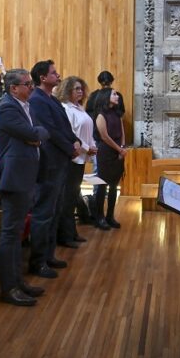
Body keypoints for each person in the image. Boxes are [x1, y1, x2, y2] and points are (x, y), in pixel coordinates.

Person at [0, 69, 49, 306]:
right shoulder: (7, 108)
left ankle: (19, 281)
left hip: (25, 175)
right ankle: (9, 288)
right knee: (10, 234)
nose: (32, 88)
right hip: (14, 178)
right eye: (27, 84)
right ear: (13, 88)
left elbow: (42, 132)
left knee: (16, 234)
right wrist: (34, 135)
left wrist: (35, 136)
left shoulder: (24, 106)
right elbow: (31, 132)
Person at [27, 60, 79, 274]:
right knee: (44, 212)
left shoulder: (52, 99)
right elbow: (49, 130)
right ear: (42, 78)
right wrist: (69, 147)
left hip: (61, 160)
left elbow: (64, 127)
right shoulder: (37, 100)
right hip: (50, 162)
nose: (58, 75)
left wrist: (75, 140)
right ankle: (38, 261)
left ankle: (49, 255)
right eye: (54, 73)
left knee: (55, 210)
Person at [55, 76, 96, 247]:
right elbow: (71, 134)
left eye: (81, 88)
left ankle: (72, 232)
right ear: (67, 90)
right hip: (72, 157)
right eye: (76, 89)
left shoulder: (79, 108)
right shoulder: (66, 108)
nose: (80, 92)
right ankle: (65, 235)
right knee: (67, 198)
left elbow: (88, 131)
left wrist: (92, 146)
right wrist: (87, 147)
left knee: (72, 197)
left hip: (81, 157)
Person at [91, 87, 126, 230]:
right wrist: (119, 149)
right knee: (102, 185)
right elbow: (104, 137)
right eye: (114, 94)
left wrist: (122, 146)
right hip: (106, 152)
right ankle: (99, 217)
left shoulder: (117, 114)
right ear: (106, 97)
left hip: (118, 151)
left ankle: (110, 216)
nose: (117, 96)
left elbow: (122, 132)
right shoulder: (100, 115)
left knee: (114, 186)